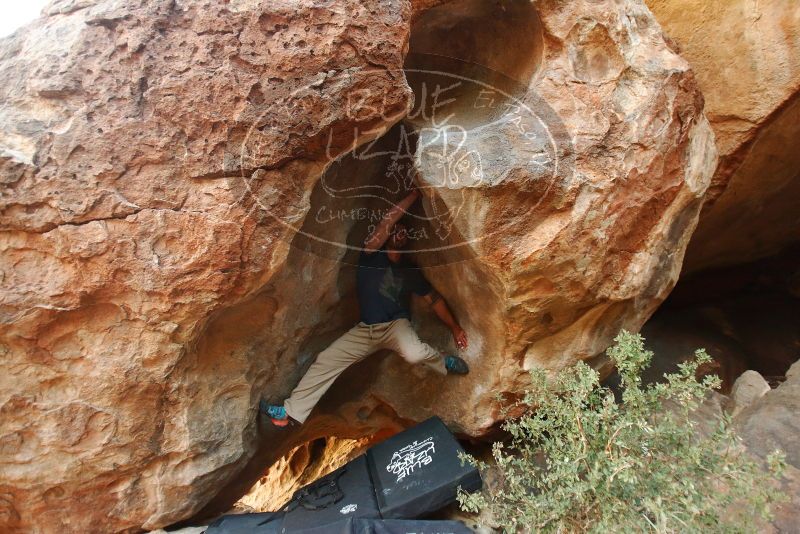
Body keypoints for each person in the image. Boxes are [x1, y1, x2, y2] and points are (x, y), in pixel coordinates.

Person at [261, 187, 470, 427]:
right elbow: (386, 221)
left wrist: (454, 327)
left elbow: (435, 301)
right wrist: (413, 196)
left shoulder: (410, 272)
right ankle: (288, 412)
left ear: (408, 241)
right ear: (390, 234)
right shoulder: (371, 254)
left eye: (405, 233)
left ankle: (445, 363)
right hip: (366, 330)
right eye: (397, 230)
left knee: (415, 354)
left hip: (395, 326)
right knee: (326, 359)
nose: (400, 234)